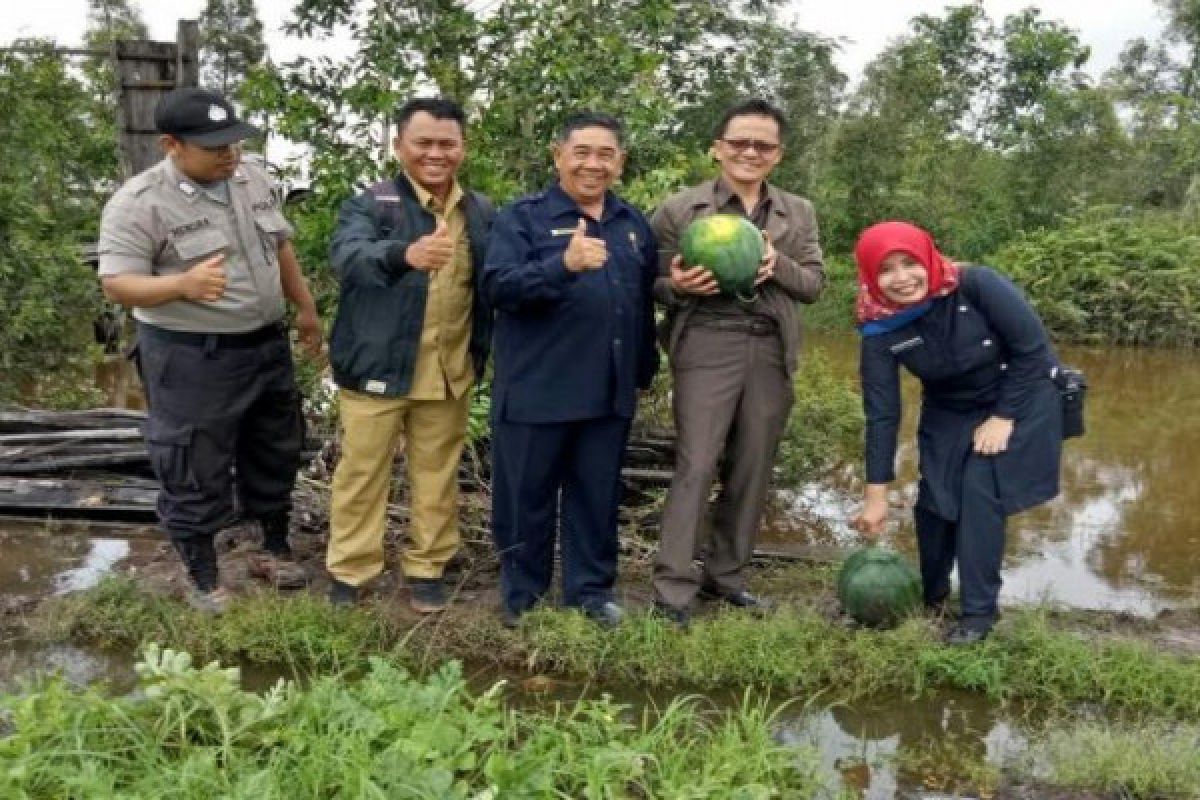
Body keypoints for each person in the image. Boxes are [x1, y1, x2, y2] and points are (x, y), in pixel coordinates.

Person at [97, 87, 321, 613]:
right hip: (192, 356)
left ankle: (271, 548)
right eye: (214, 146)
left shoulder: (253, 177)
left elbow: (280, 246)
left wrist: (306, 310)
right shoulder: (140, 202)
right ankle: (202, 575)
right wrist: (181, 285)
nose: (230, 154)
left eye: (234, 142)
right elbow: (117, 284)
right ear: (171, 144)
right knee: (193, 461)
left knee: (276, 447)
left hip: (265, 344)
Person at [650, 98, 825, 625]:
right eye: (739, 142)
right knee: (696, 463)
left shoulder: (799, 212)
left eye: (763, 145)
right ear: (717, 148)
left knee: (752, 465)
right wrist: (677, 286)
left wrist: (777, 266)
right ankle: (673, 589)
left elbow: (815, 284)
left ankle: (725, 578)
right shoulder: (681, 209)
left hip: (770, 345)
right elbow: (648, 284)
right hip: (706, 339)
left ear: (778, 154)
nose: (750, 151)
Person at [483, 111, 659, 628]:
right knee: (525, 500)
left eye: (606, 154)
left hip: (607, 392)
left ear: (620, 162)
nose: (593, 164)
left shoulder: (632, 225)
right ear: (557, 154)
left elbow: (641, 304)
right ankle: (524, 597)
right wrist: (563, 265)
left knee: (596, 498)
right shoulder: (523, 218)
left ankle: (589, 591)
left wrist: (641, 369)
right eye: (582, 151)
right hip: (536, 389)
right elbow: (499, 287)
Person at [851, 221, 1064, 644]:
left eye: (909, 263)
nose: (902, 278)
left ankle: (979, 615)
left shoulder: (977, 285)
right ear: (871, 277)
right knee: (934, 500)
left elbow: (1034, 351)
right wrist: (875, 496)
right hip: (949, 405)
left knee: (978, 493)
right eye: (886, 270)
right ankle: (931, 595)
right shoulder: (877, 327)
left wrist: (1004, 417)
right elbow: (882, 413)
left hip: (1018, 394)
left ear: (927, 258)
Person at [325, 97, 495, 613]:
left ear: (462, 149)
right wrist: (405, 254)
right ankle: (351, 572)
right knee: (361, 474)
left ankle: (427, 566)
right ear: (399, 146)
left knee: (438, 475)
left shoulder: (480, 212)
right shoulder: (372, 205)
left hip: (448, 372)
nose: (436, 153)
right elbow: (347, 257)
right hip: (376, 370)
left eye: (447, 143)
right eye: (424, 143)